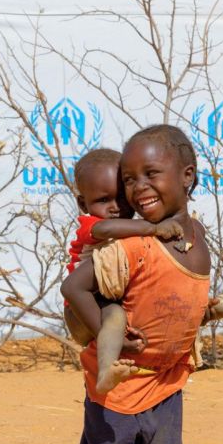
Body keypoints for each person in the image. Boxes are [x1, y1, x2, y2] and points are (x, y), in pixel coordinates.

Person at [52, 125, 221, 444]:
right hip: (121, 382)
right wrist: (119, 336)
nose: (136, 188)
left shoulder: (194, 235)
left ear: (186, 176)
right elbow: (74, 288)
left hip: (168, 381)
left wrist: (207, 310)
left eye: (150, 174)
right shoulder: (132, 243)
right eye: (129, 179)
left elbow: (174, 295)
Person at [62, 148, 185, 394]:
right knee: (116, 315)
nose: (116, 207)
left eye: (121, 198)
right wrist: (154, 227)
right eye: (103, 200)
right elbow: (107, 229)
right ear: (82, 203)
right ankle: (107, 369)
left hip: (105, 300)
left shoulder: (131, 227)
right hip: (83, 307)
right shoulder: (92, 224)